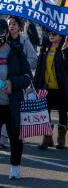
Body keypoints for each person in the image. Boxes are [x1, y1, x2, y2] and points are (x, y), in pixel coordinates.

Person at [0, 19, 32, 179]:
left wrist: (12, 82)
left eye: (1, 34)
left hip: (13, 104)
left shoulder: (16, 51)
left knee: (15, 137)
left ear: (6, 34)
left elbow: (27, 76)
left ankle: (14, 167)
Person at [34, 31, 68, 150]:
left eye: (54, 34)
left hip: (62, 87)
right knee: (45, 112)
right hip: (47, 87)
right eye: (50, 34)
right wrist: (35, 84)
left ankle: (61, 139)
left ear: (61, 35)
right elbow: (39, 68)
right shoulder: (45, 48)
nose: (51, 36)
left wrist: (66, 50)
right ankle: (47, 137)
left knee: (62, 112)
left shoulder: (66, 48)